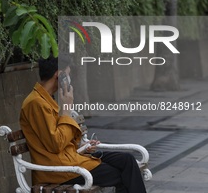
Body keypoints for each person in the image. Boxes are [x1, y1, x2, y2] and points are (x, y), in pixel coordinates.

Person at [20, 55, 147, 193]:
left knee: (127, 160)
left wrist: (82, 147)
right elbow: (56, 143)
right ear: (59, 75)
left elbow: (59, 139)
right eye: (67, 74)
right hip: (59, 171)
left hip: (72, 159)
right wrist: (67, 108)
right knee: (122, 174)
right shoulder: (36, 103)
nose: (69, 79)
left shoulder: (46, 99)